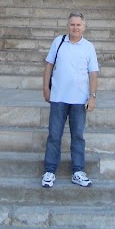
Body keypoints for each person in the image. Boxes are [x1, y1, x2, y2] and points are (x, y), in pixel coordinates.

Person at [41, 11, 98, 188]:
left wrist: (92, 96)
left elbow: (93, 73)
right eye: (72, 24)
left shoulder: (89, 47)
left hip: (79, 99)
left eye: (78, 25)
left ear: (84, 27)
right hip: (58, 97)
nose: (75, 27)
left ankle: (78, 171)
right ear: (68, 26)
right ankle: (50, 171)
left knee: (78, 136)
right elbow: (49, 65)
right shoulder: (58, 42)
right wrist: (45, 87)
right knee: (54, 135)